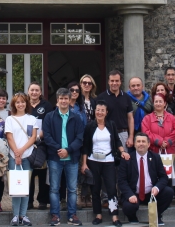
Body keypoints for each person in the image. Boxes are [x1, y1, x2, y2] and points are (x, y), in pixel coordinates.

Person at [81, 100, 130, 226]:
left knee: (111, 188)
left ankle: (114, 215)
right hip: (93, 161)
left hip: (108, 160)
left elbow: (117, 141)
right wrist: (84, 163)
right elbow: (85, 146)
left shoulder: (111, 125)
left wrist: (122, 152)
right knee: (95, 189)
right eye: (98, 110)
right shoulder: (90, 126)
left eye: (102, 110)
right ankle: (98, 214)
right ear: (95, 111)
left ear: (106, 112)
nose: (100, 112)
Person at [43, 88, 85, 226]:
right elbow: (47, 137)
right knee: (54, 188)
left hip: (72, 158)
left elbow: (80, 138)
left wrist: (68, 150)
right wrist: (59, 150)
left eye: (66, 98)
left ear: (69, 100)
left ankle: (72, 215)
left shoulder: (76, 117)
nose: (63, 101)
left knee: (72, 189)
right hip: (55, 158)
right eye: (61, 98)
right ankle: (55, 215)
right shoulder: (49, 117)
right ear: (57, 100)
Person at [117, 133, 173, 226]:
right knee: (128, 207)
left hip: (151, 193)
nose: (141, 144)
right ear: (134, 144)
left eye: (143, 141)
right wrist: (130, 195)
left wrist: (157, 188)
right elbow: (122, 181)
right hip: (134, 193)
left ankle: (156, 215)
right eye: (138, 141)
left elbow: (164, 177)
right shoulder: (127, 159)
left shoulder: (155, 157)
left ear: (148, 144)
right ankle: (132, 217)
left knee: (169, 192)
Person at [5, 93, 38, 226]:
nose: (20, 104)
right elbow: (9, 137)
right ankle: (15, 216)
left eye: (23, 102)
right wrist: (17, 154)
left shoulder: (32, 119)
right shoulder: (10, 120)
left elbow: (33, 137)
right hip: (14, 157)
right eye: (17, 102)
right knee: (15, 187)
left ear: (26, 103)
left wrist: (21, 151)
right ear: (14, 104)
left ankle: (23, 215)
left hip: (27, 156)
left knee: (25, 187)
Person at [27, 82, 54, 210]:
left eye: (37, 90)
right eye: (32, 90)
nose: (34, 92)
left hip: (41, 144)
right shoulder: (24, 105)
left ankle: (43, 200)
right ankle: (29, 201)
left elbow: (48, 124)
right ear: (28, 91)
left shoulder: (47, 106)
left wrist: (37, 137)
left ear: (40, 92)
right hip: (26, 145)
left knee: (43, 174)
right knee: (29, 174)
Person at [96, 70, 135, 151]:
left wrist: (131, 137)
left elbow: (130, 118)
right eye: (112, 81)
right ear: (108, 82)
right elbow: (97, 117)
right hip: (106, 133)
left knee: (123, 159)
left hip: (123, 133)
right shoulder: (101, 97)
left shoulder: (126, 97)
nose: (114, 83)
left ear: (120, 82)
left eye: (117, 81)